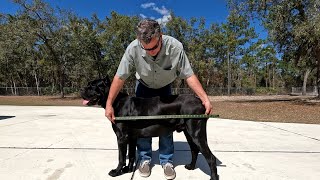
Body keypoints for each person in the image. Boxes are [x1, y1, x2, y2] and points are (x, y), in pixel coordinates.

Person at [105, 19, 212, 180]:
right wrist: (109, 103)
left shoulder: (175, 47)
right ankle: (145, 159)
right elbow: (120, 77)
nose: (151, 52)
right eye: (146, 49)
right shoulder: (133, 48)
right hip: (143, 86)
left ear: (160, 36)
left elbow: (188, 75)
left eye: (154, 47)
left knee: (166, 123)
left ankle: (167, 161)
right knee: (141, 126)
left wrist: (205, 98)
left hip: (164, 88)